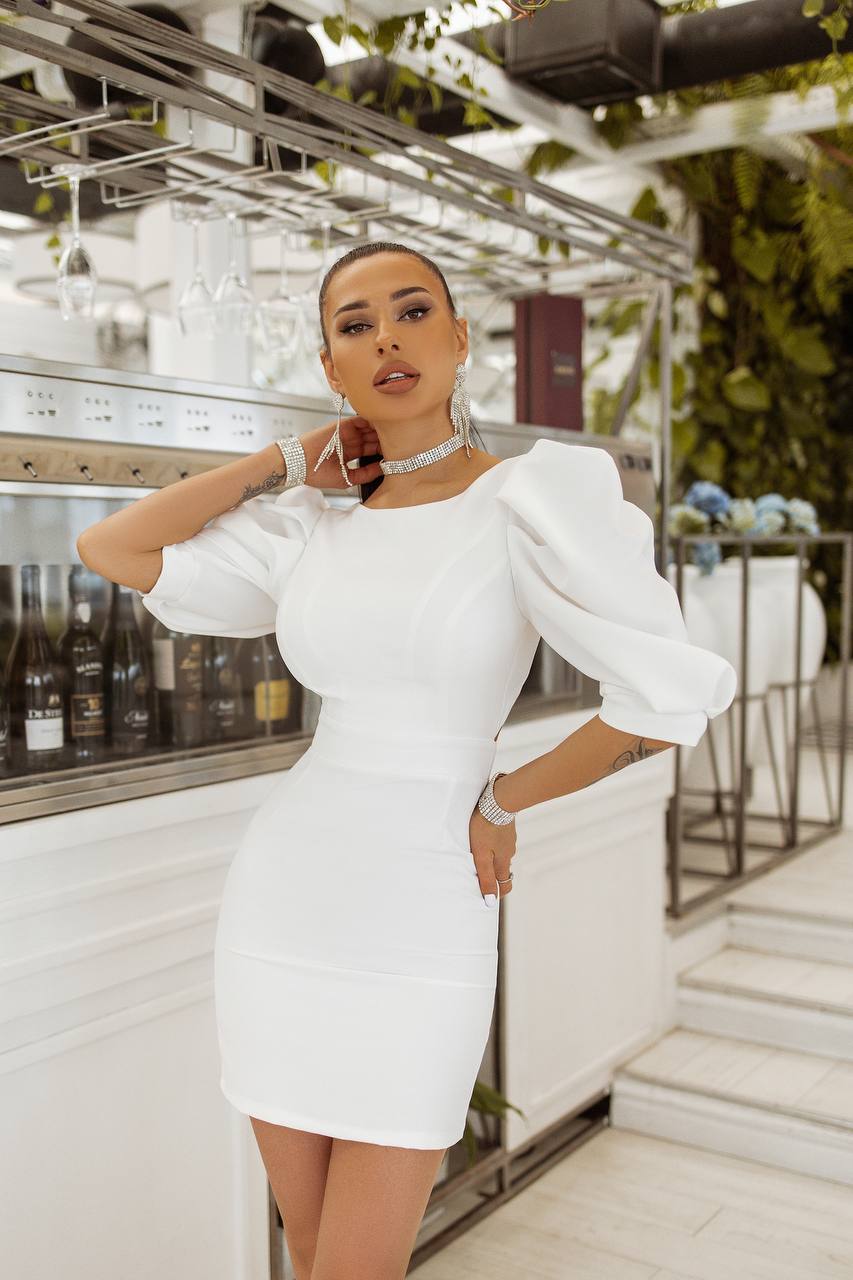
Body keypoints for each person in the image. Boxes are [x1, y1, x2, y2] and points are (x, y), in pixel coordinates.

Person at [76, 240, 737, 1280]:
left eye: (413, 309)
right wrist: (283, 463)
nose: (386, 334)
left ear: (460, 339)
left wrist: (504, 797)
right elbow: (112, 549)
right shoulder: (309, 530)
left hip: (427, 898)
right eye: (354, 324)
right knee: (311, 1250)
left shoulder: (531, 499)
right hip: (287, 896)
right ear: (333, 370)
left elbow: (669, 693)